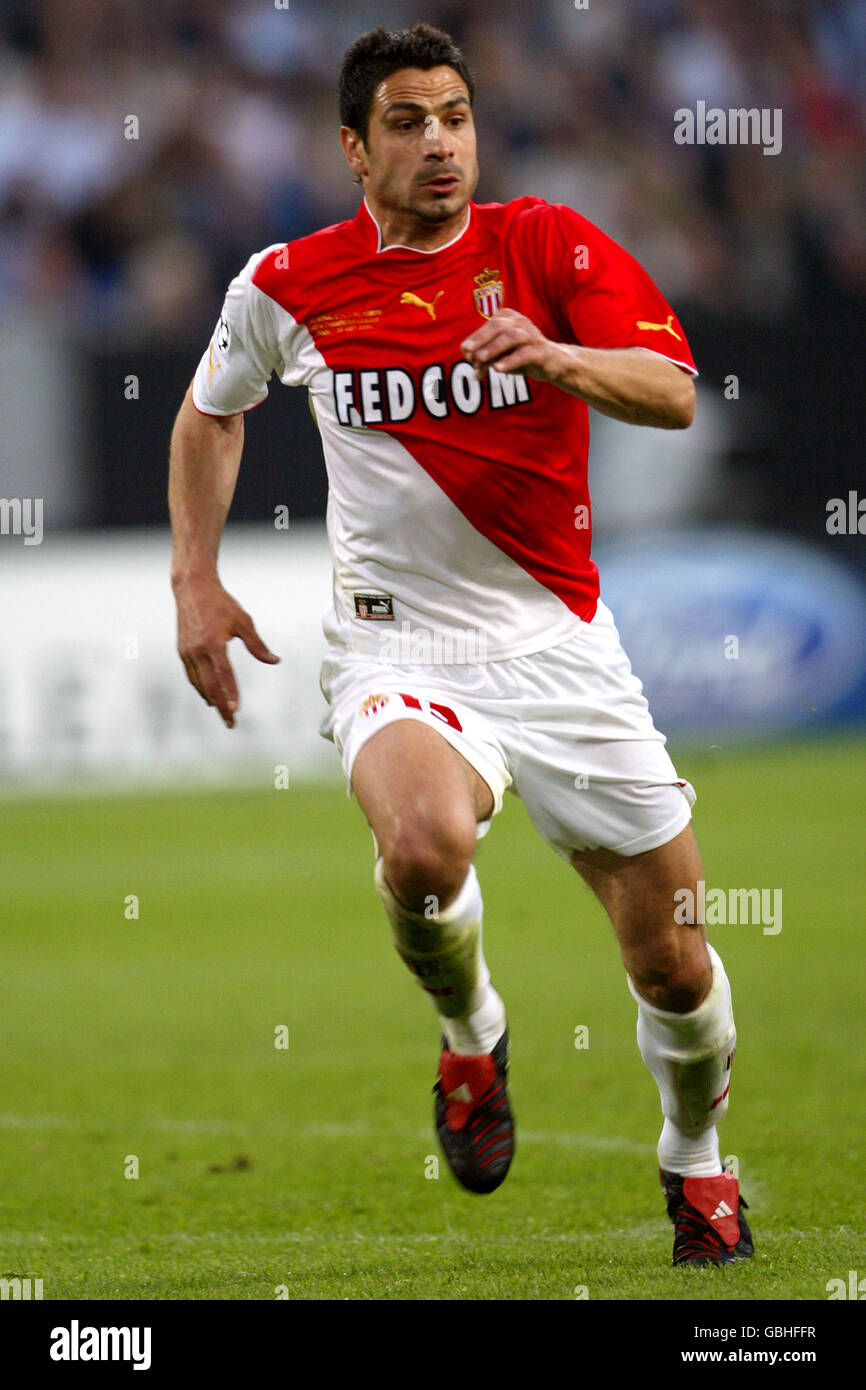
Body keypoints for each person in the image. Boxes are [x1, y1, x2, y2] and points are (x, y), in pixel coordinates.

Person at [168, 22, 752, 1268]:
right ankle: (470, 1029)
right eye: (406, 122)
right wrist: (195, 580)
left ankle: (696, 1163)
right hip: (398, 651)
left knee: (675, 962)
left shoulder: (547, 244)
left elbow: (672, 387)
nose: (438, 143)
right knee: (425, 848)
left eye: (453, 117)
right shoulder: (286, 283)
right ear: (351, 147)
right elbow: (212, 412)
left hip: (557, 647)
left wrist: (558, 356)